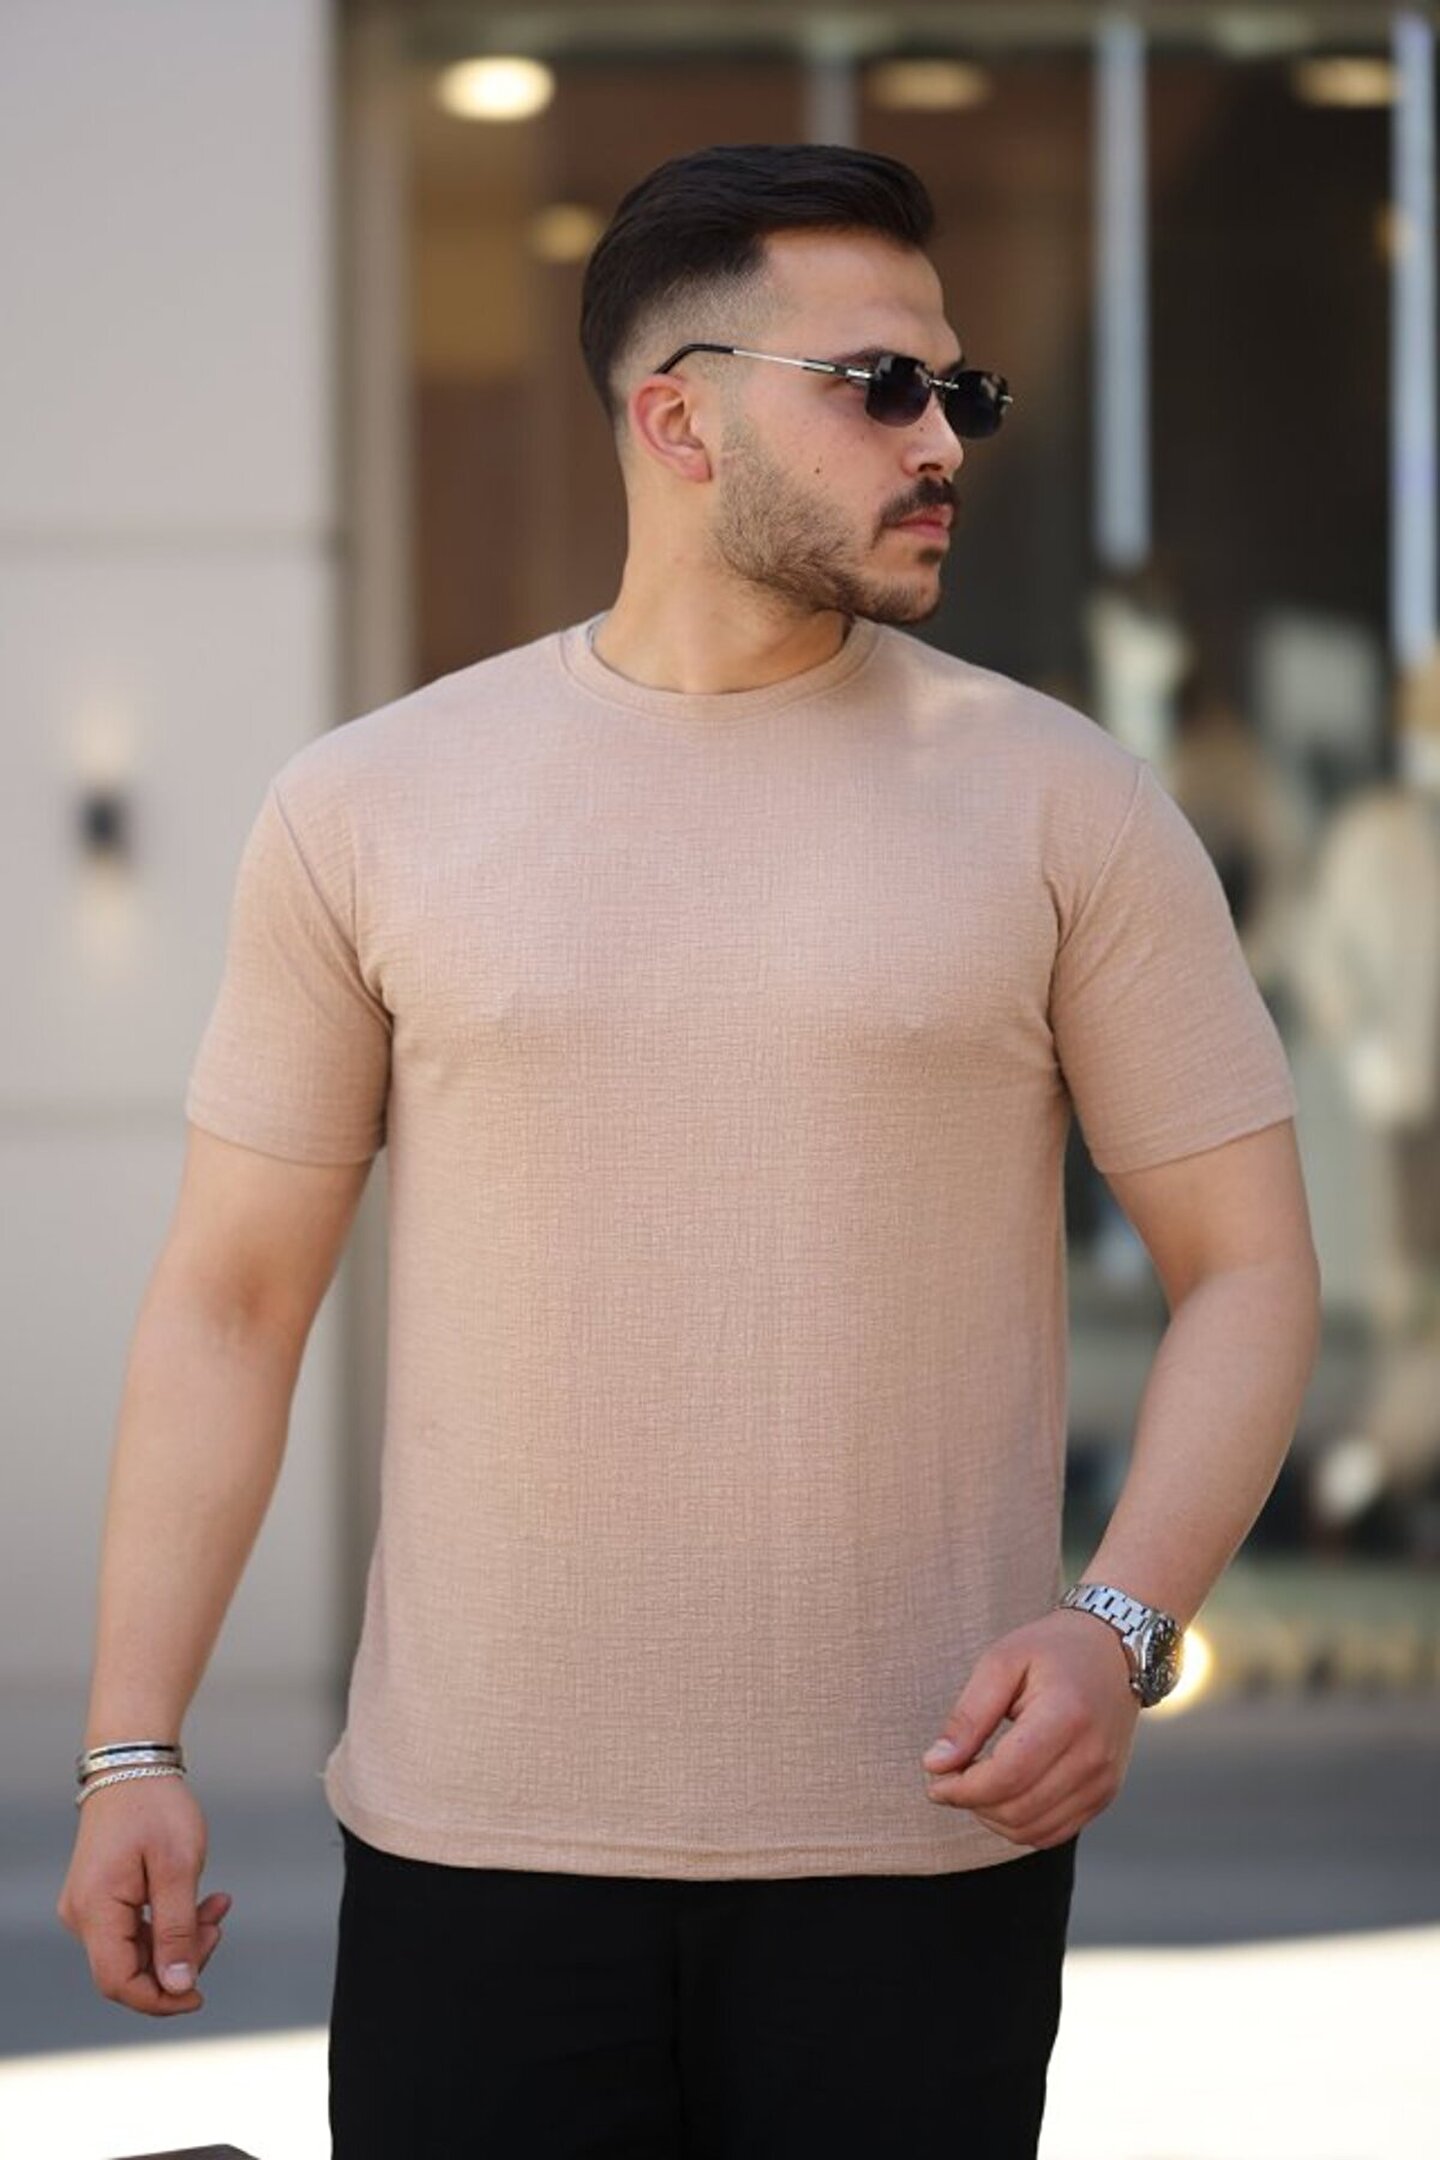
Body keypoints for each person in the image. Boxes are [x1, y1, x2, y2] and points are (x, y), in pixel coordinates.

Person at [57, 142, 1321, 2159]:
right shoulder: (368, 808)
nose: (943, 441)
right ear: (677, 418)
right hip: (473, 1856)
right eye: (880, 386)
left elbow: (1248, 1267)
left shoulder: (1068, 805)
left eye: (959, 392)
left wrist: (1125, 1626)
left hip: (926, 1846)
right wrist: (132, 1745)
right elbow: (230, 1300)